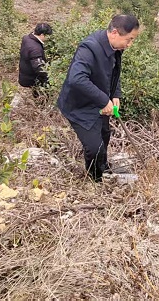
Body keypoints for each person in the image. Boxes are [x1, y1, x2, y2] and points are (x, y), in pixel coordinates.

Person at [57, 14, 140, 182]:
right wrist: (104, 99)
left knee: (105, 134)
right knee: (95, 147)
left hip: (99, 102)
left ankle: (103, 167)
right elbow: (76, 78)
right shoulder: (89, 48)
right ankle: (96, 181)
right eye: (129, 39)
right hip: (79, 106)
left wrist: (115, 94)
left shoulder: (115, 48)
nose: (129, 45)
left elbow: (113, 73)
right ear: (115, 32)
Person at [18, 23, 53, 94]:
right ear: (42, 35)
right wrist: (51, 76)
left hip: (24, 74)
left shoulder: (26, 38)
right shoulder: (35, 49)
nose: (47, 39)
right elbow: (39, 68)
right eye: (47, 36)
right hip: (31, 79)